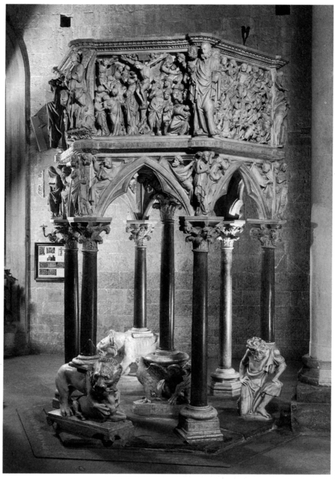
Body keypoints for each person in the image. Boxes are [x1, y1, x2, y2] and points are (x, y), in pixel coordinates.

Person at [238, 337, 287, 420]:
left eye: (254, 350)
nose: (253, 353)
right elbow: (242, 363)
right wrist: (241, 378)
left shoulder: (272, 352)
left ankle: (260, 407)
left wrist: (275, 378)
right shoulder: (249, 352)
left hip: (261, 384)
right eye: (251, 350)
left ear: (261, 348)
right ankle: (242, 402)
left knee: (277, 386)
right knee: (244, 414)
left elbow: (283, 365)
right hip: (248, 383)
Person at [189, 42, 221, 137]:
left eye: (205, 49)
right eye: (202, 49)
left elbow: (217, 74)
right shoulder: (198, 61)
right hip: (199, 89)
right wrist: (192, 76)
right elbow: (193, 71)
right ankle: (201, 130)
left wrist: (216, 76)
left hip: (208, 89)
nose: (203, 51)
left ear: (210, 50)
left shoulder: (214, 61)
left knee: (209, 108)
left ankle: (212, 130)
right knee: (199, 109)